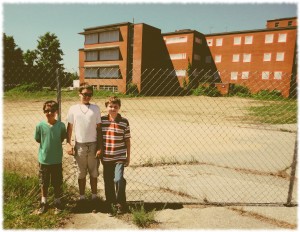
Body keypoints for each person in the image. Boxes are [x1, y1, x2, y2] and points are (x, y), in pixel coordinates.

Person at [66, 82, 102, 212]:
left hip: (93, 145)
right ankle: (82, 199)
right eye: (85, 94)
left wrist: (100, 147)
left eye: (90, 94)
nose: (87, 97)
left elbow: (99, 129)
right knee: (81, 174)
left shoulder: (96, 108)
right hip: (80, 145)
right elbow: (69, 128)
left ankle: (94, 198)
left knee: (94, 173)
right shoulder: (73, 109)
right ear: (79, 94)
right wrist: (68, 143)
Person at [34, 100, 66, 214]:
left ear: (56, 111)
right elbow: (38, 139)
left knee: (57, 181)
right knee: (44, 181)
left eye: (52, 110)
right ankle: (44, 202)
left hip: (56, 159)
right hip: (44, 159)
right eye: (47, 111)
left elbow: (62, 138)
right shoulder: (40, 126)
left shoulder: (61, 125)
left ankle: (58, 201)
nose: (50, 113)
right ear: (44, 112)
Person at [101, 96, 131, 214]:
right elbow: (99, 137)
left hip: (119, 157)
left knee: (118, 179)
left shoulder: (124, 121)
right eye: (110, 106)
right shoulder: (102, 120)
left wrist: (128, 157)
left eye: (115, 107)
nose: (113, 108)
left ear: (119, 108)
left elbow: (127, 140)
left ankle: (120, 202)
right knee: (108, 181)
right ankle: (110, 203)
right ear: (106, 107)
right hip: (107, 157)